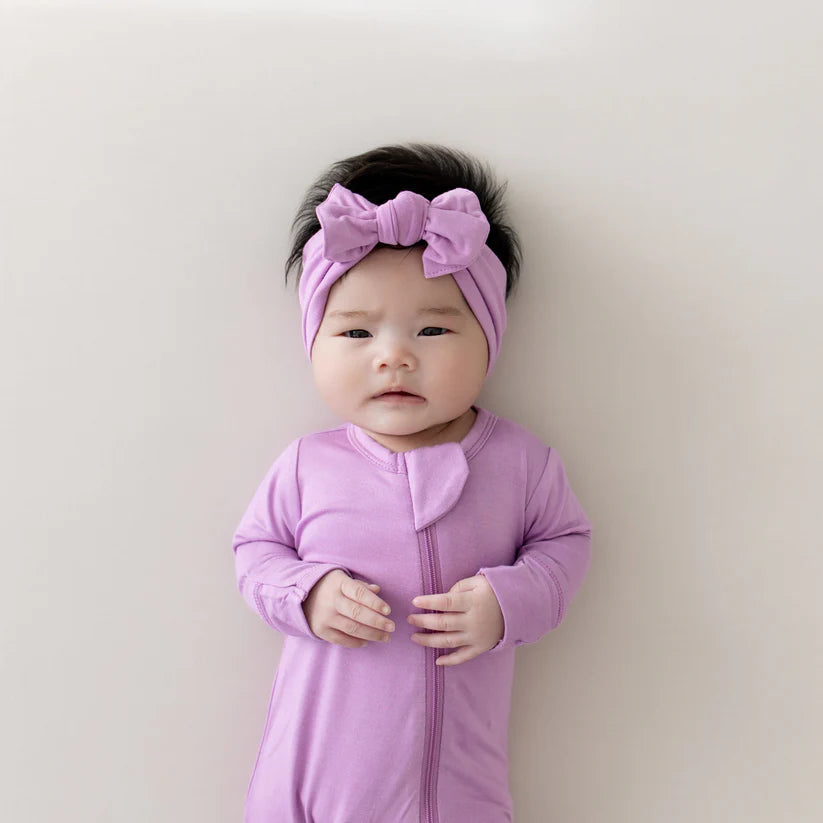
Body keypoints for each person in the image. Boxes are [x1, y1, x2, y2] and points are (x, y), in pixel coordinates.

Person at [231, 142, 593, 822]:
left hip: (457, 792)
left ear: (489, 339)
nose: (393, 356)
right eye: (356, 333)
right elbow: (254, 553)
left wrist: (509, 600)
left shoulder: (519, 462)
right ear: (315, 341)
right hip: (310, 784)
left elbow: (566, 543)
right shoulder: (309, 465)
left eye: (431, 329)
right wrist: (306, 592)